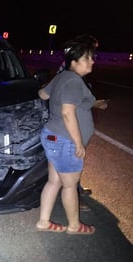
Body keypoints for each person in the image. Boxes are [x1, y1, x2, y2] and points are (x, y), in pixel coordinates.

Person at [35, 34, 101, 235]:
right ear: (75, 61)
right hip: (65, 141)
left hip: (53, 136)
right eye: (87, 58)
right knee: (70, 185)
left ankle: (44, 222)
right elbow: (67, 112)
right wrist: (78, 143)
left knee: (54, 181)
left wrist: (56, 81)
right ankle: (74, 226)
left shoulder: (63, 77)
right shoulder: (72, 80)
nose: (92, 61)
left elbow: (42, 94)